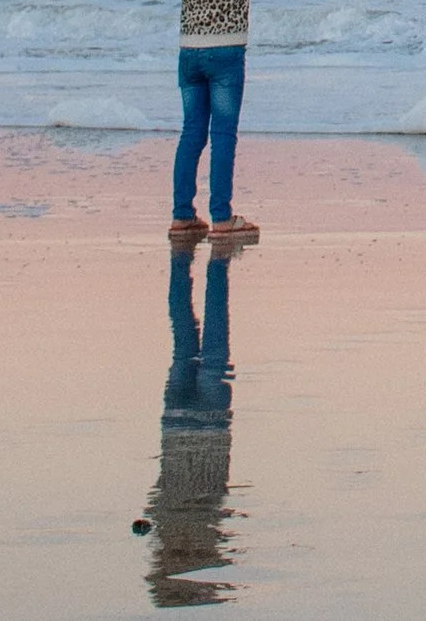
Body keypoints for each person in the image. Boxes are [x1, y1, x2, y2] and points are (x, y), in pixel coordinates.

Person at [168, 0, 271, 244]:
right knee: (223, 133)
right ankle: (222, 217)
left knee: (191, 132)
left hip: (189, 52)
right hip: (226, 51)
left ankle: (182, 216)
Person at [136, 238, 241, 607]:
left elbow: (217, 499)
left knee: (212, 345)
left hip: (209, 426)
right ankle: (185, 263)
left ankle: (219, 265)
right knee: (183, 343)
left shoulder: (199, 528)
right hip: (176, 424)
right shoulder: (164, 524)